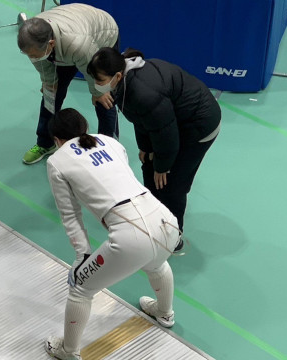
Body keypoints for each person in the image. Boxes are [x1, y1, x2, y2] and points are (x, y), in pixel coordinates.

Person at [44, 109, 180, 360]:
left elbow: (70, 214)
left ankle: (68, 351)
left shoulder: (57, 160)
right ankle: (165, 312)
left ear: (57, 139)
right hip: (166, 220)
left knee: (80, 288)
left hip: (130, 236)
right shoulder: (110, 141)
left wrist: (82, 255)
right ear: (84, 127)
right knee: (157, 262)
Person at [87, 48, 221, 251]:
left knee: (172, 184)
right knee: (148, 166)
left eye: (100, 79)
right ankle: (155, 220)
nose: (97, 84)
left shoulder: (143, 92)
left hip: (198, 126)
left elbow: (166, 133)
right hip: (172, 123)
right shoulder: (124, 82)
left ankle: (173, 237)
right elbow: (141, 119)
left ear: (117, 75)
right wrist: (145, 147)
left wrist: (163, 166)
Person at [17, 3, 120, 165]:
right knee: (50, 94)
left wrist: (97, 92)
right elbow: (41, 63)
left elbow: (91, 70)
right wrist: (49, 83)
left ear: (50, 44)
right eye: (29, 55)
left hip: (101, 34)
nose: (32, 57)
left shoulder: (78, 45)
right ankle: (45, 143)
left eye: (34, 55)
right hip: (70, 35)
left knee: (104, 98)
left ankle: (109, 147)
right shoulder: (33, 39)